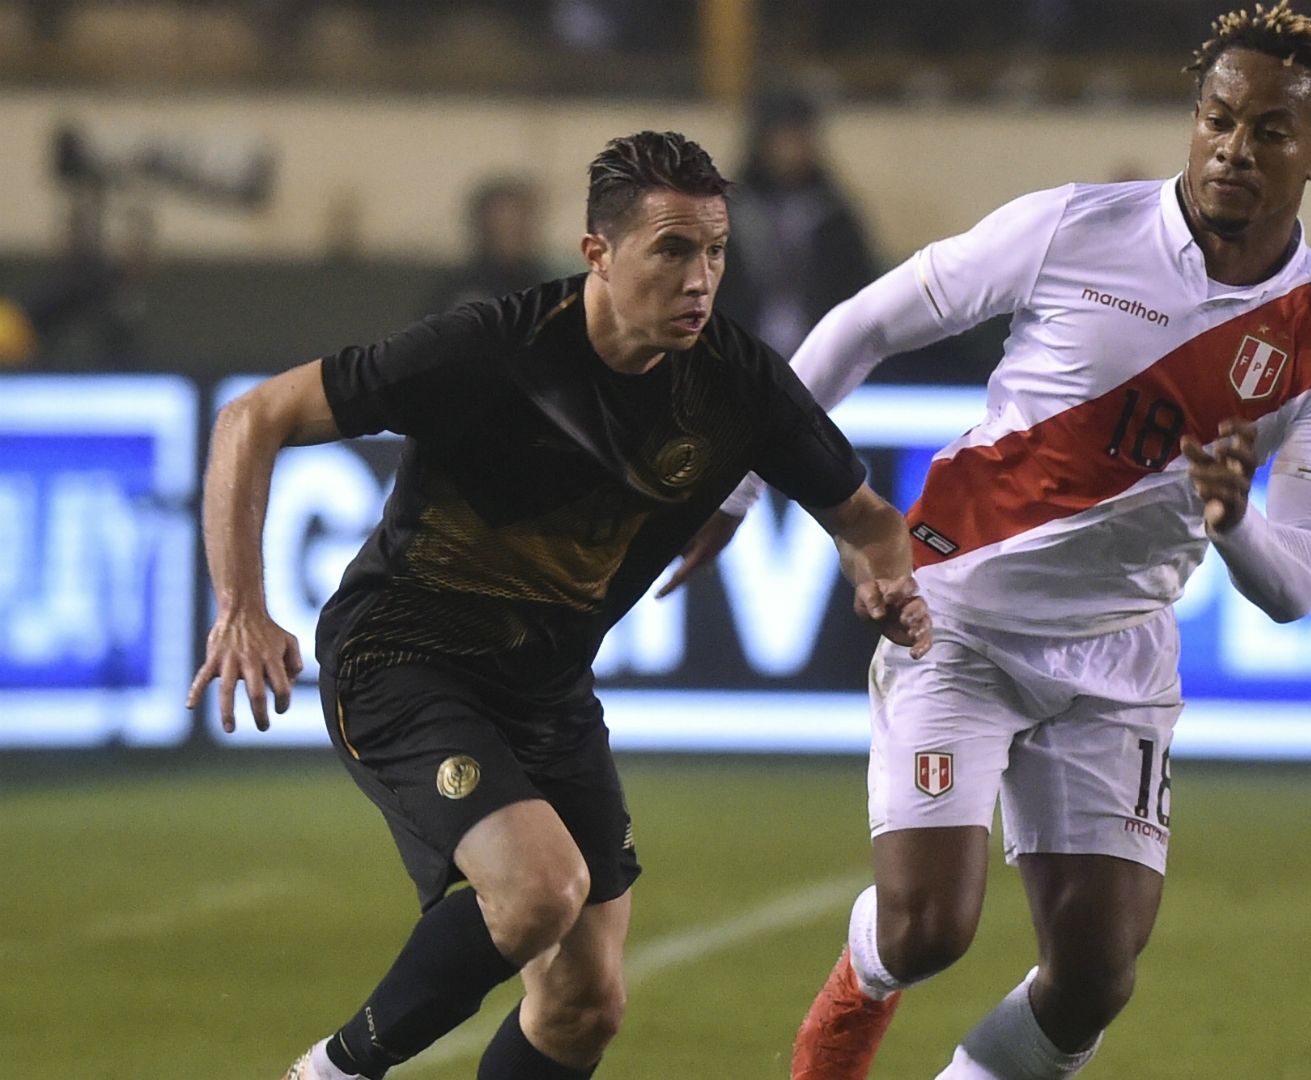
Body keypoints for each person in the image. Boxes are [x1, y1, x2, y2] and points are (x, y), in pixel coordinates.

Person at [666, 5, 1311, 1077]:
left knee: (1095, 979)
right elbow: (861, 327)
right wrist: (733, 489)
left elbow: (1299, 584)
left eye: (1270, 132)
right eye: (1217, 118)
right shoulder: (1074, 228)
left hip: (1119, 656)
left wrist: (1235, 525)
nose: (1234, 148)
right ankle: (843, 1015)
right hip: (955, 615)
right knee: (926, 930)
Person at [186, 131, 932, 1080]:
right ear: (598, 254)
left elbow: (867, 519)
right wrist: (241, 604)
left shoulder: (738, 384)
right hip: (403, 658)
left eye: (715, 251)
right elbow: (252, 417)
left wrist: (880, 574)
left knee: (583, 1005)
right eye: (671, 249)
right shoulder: (490, 349)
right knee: (541, 892)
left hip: (545, 692)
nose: (701, 278)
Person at [719, 89, 878, 358]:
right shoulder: (728, 212)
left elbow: (855, 291)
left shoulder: (834, 215)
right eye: (780, 138)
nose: (789, 149)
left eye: (798, 137)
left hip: (820, 353)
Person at [424, 175, 551, 314]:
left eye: (522, 221)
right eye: (504, 224)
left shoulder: (546, 287)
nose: (513, 232)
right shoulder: (461, 291)